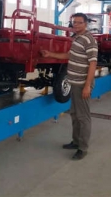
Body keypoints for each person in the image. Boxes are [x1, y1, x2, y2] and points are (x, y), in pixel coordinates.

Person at [41, 13, 98, 160]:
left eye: (79, 23)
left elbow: (93, 63)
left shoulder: (89, 40)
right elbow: (68, 56)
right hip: (74, 82)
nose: (76, 25)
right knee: (74, 114)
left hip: (82, 84)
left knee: (83, 117)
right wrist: (50, 54)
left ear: (86, 24)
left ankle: (83, 148)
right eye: (74, 23)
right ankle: (76, 141)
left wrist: (87, 86)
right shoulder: (77, 38)